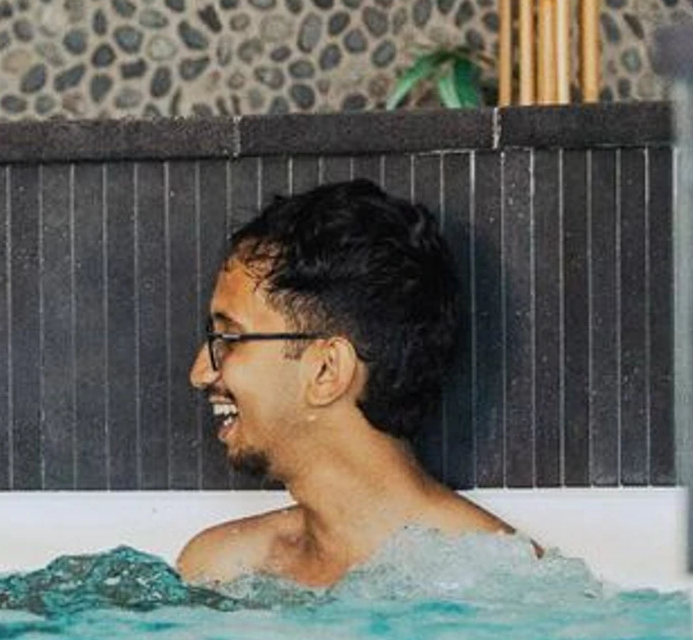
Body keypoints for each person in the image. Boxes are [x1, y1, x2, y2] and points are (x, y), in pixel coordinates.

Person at [177, 178, 519, 588]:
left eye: (229, 338)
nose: (200, 373)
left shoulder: (495, 584)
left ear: (327, 370)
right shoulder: (221, 567)